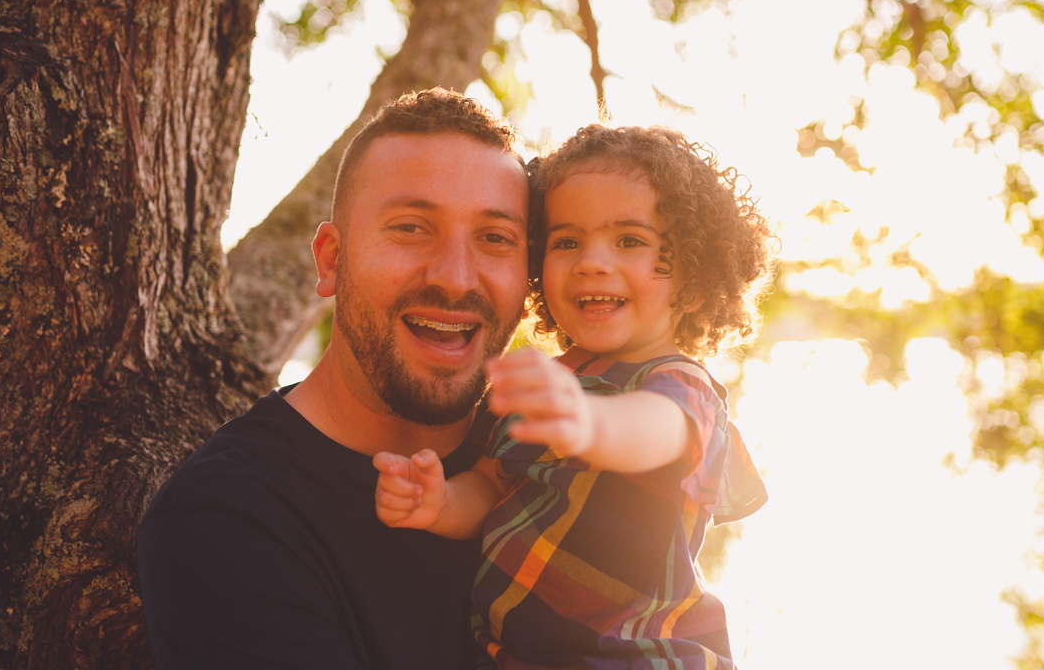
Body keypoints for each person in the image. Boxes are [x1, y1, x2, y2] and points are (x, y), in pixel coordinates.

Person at [137, 88, 531, 669]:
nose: (454, 278)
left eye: (495, 238)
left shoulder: (560, 457)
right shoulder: (226, 520)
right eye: (411, 228)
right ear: (330, 260)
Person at [373, 124, 776, 669]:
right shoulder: (547, 385)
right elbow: (493, 484)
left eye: (629, 240)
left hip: (637, 655)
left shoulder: (682, 386)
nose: (591, 261)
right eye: (566, 241)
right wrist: (440, 502)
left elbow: (650, 431)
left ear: (692, 273)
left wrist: (589, 423)